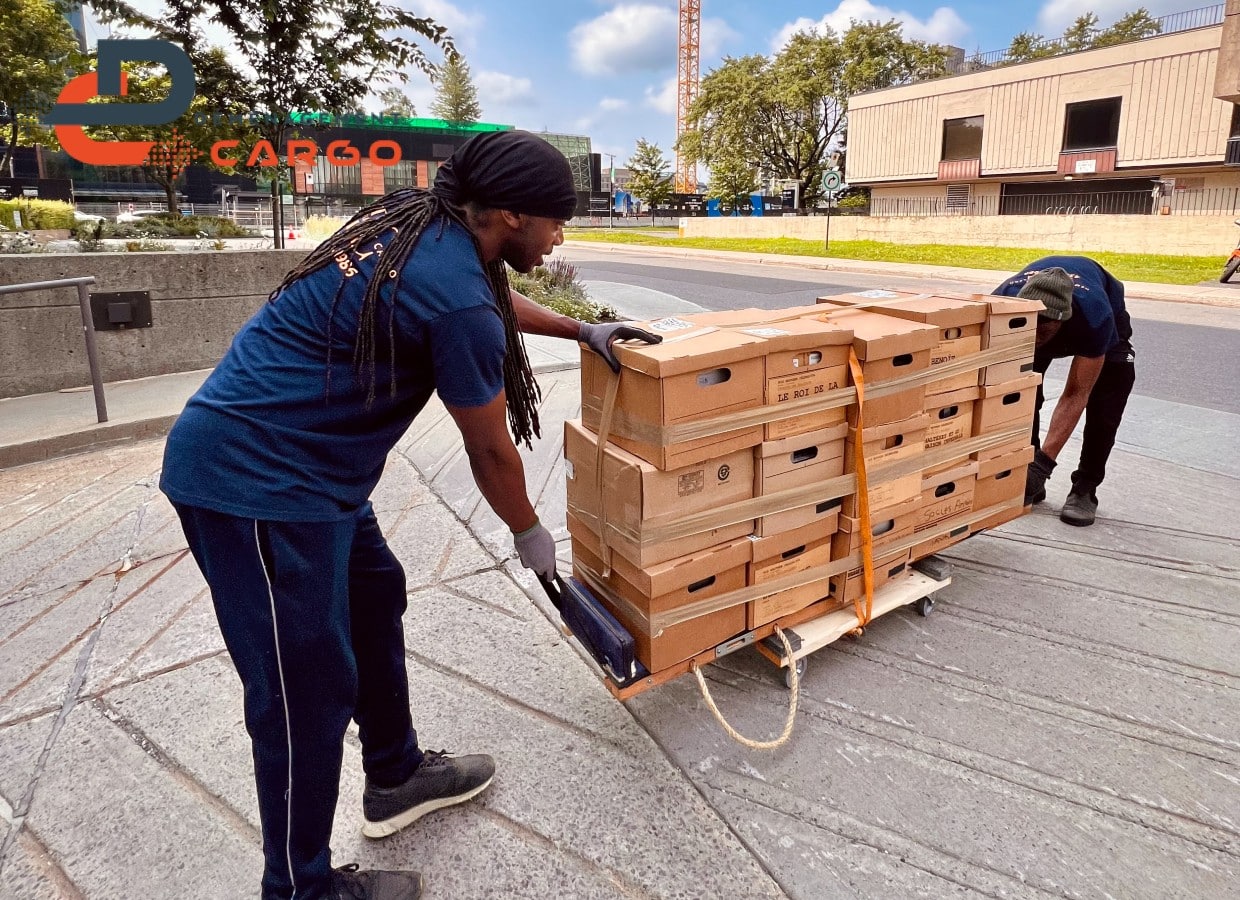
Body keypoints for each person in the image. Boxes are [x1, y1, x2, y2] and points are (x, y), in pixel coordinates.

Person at [159, 130, 660, 900]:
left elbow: (483, 295)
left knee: (374, 594)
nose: (563, 235)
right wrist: (530, 531)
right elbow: (492, 450)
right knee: (302, 695)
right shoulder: (455, 291)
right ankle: (301, 888)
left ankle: (392, 774)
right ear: (511, 215)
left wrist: (581, 330)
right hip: (254, 485)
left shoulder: (425, 225)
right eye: (557, 220)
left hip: (320, 479)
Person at [992, 255, 1136, 527]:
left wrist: (1044, 464)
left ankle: (1085, 488)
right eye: (1031, 322)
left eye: (1044, 325)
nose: (1035, 333)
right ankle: (1027, 471)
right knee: (1021, 391)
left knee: (1109, 398)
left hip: (1103, 315)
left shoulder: (1094, 318)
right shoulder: (1004, 302)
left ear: (1062, 319)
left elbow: (1075, 394)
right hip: (1031, 317)